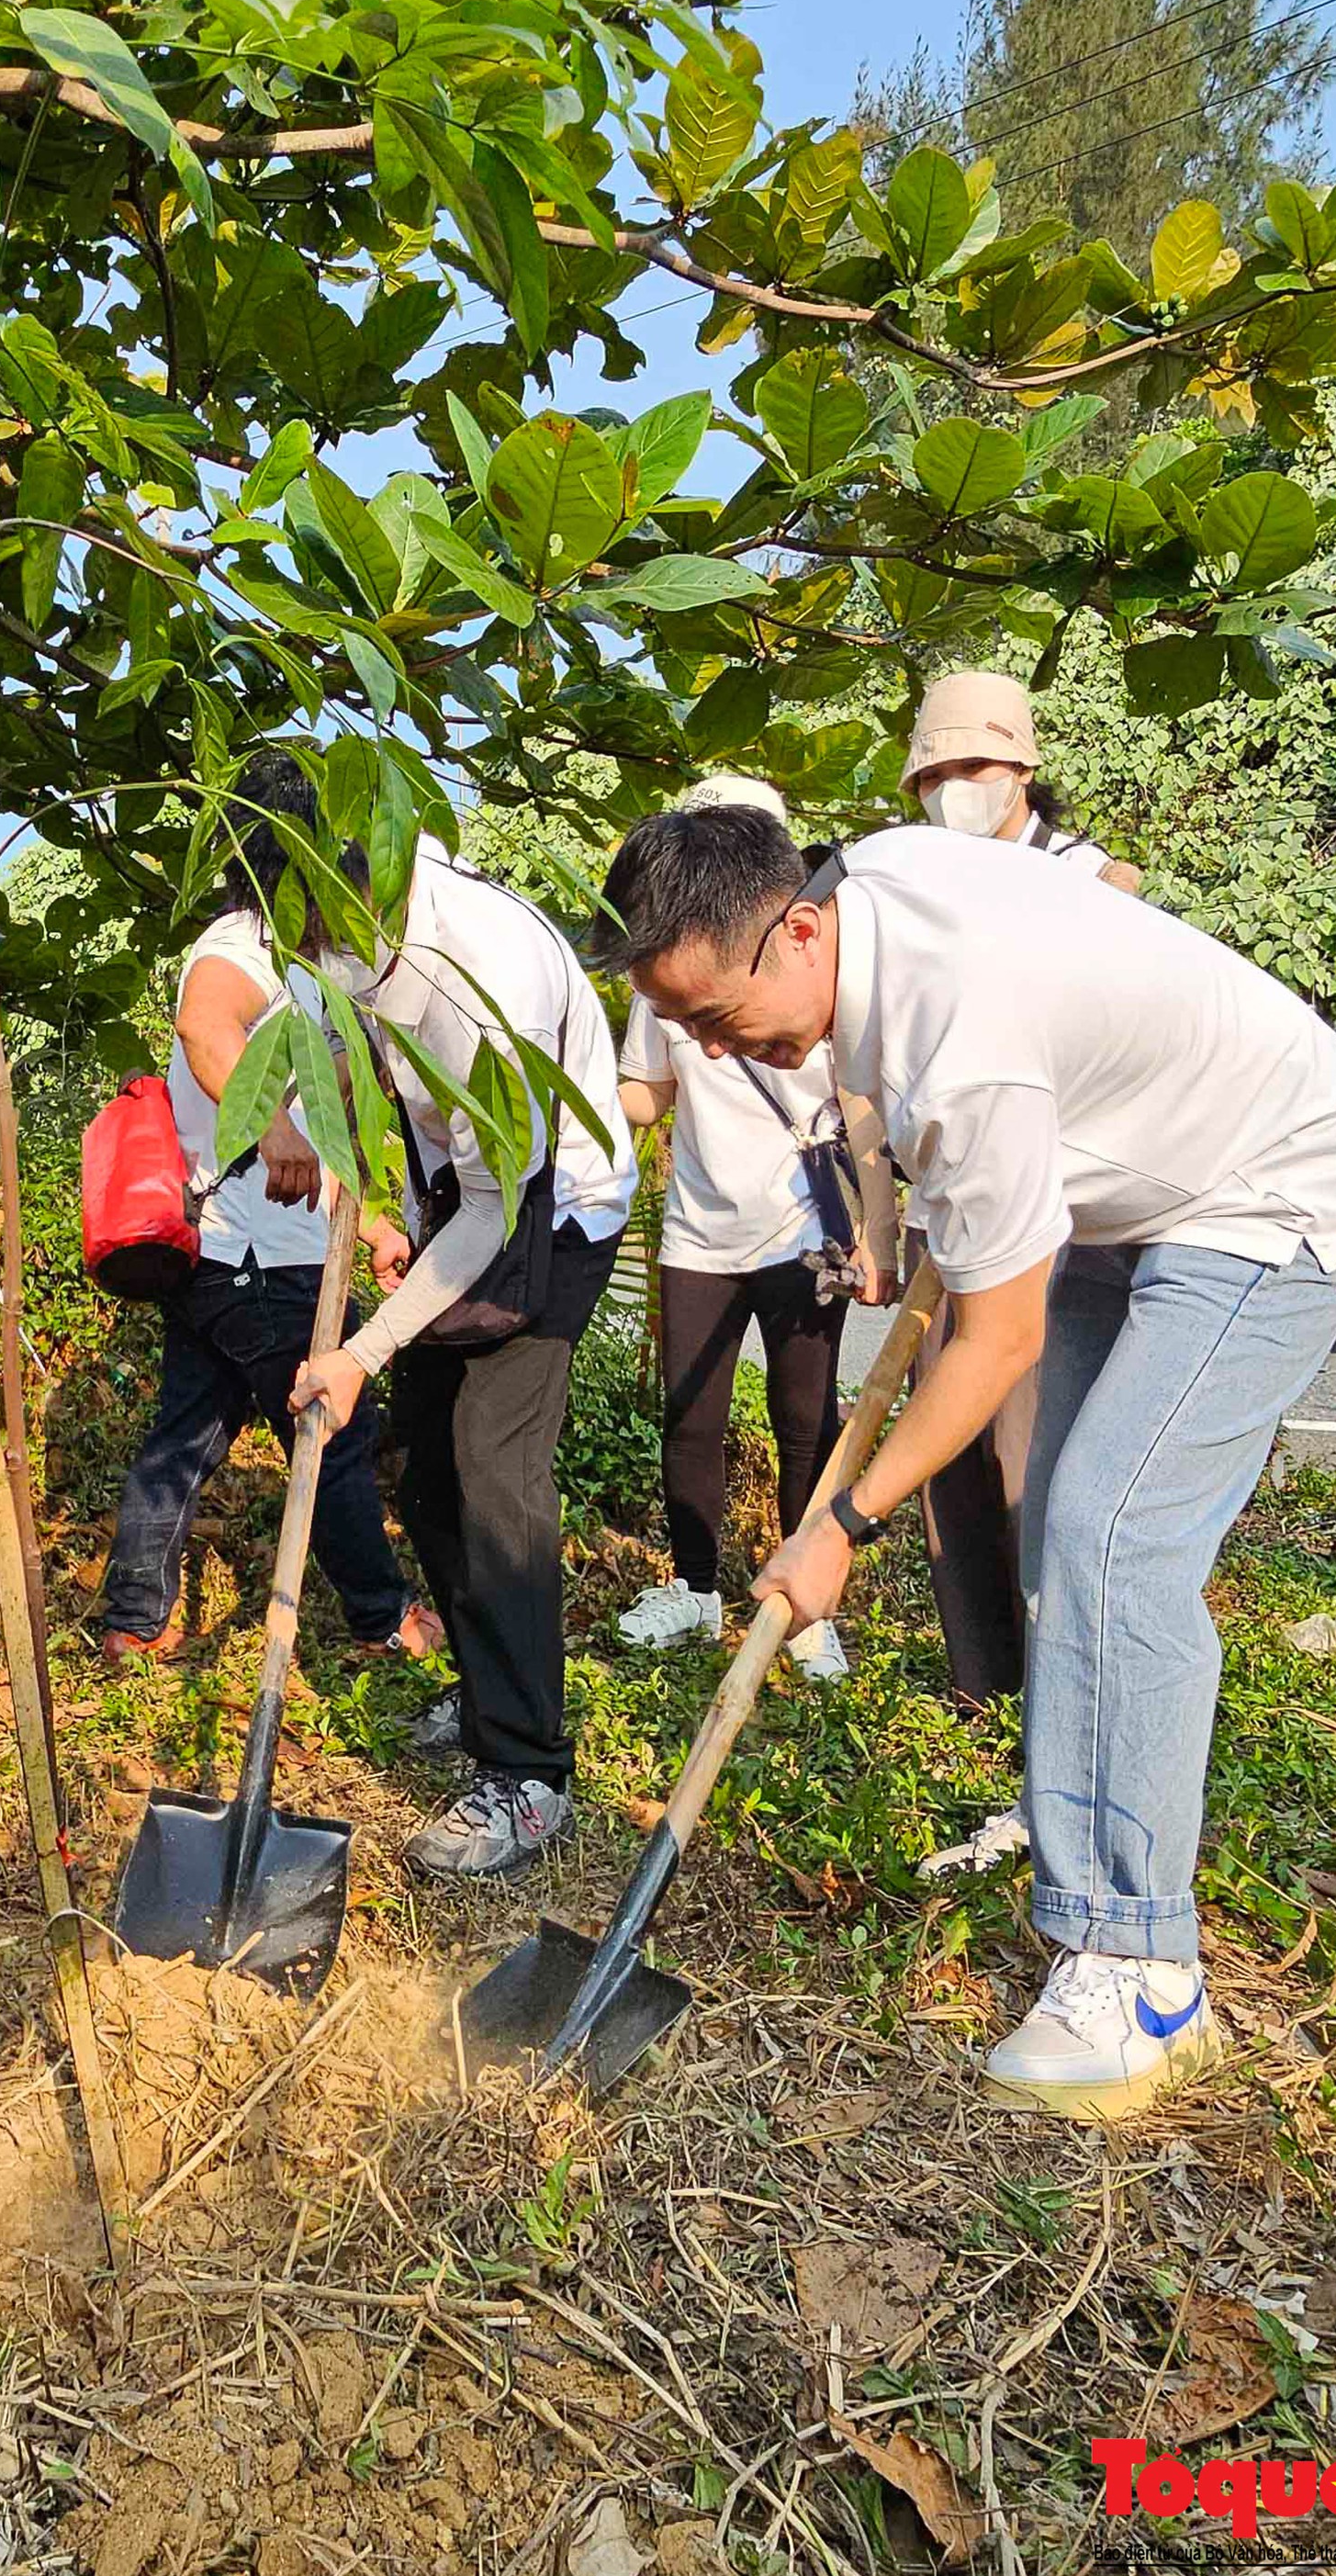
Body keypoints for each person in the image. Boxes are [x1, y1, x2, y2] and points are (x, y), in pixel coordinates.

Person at [592, 806, 1336, 2120]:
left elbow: (998, 1333)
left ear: (797, 929)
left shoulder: (956, 1052)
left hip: (1276, 1187)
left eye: (714, 1014)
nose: (706, 1046)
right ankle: (1076, 1834)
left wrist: (841, 1517)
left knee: (1112, 1531)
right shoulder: (861, 891)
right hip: (1126, 1183)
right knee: (1055, 1535)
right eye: (679, 1025)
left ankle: (1142, 1968)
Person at [292, 829, 640, 1881]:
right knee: (427, 1468)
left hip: (548, 1212)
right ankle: (486, 1682)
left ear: (374, 900)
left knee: (494, 1473)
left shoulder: (492, 988)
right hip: (460, 1202)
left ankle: (528, 1769)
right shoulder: (347, 932)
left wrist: (359, 1350)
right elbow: (384, 1089)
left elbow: (499, 1205)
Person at [98, 755, 435, 1664]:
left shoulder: (317, 967)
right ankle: (380, 1617)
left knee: (190, 1427)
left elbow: (332, 1130)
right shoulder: (240, 942)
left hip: (258, 1248)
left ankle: (134, 1612)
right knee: (333, 1425)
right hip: (249, 1254)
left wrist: (365, 1225)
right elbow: (206, 1030)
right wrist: (271, 1129)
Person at [901, 675, 1140, 1855]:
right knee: (950, 1459)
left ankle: (1063, 1738)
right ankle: (986, 1687)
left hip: (1054, 1216)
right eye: (934, 776)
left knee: (1027, 1462)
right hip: (952, 1197)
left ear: (1021, 772)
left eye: (973, 771)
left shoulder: (1090, 881)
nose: (955, 793)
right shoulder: (921, 881)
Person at [616, 775, 876, 1676]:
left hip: (804, 1227)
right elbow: (645, 1090)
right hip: (698, 1226)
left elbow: (859, 1097)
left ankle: (803, 1604)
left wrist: (871, 1222)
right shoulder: (672, 962)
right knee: (690, 1413)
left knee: (803, 1413)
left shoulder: (814, 960)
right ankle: (693, 1591)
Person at [903, 667, 1141, 891]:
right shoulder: (916, 877)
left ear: (1024, 769)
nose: (951, 788)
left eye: (974, 765)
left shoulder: (1081, 872)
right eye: (932, 776)